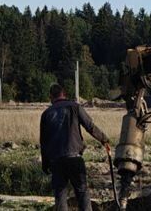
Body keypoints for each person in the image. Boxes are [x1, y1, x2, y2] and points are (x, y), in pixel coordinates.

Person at [40, 83, 112, 211]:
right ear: (64, 94)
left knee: (60, 195)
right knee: (82, 191)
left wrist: (45, 164)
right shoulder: (75, 107)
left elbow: (44, 142)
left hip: (56, 161)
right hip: (74, 157)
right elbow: (90, 126)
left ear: (51, 97)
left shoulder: (46, 114)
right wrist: (104, 140)